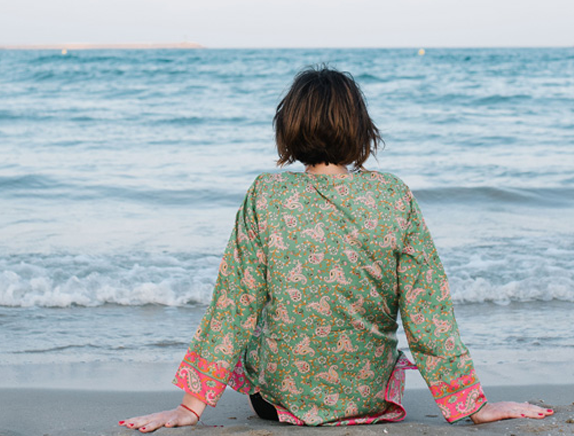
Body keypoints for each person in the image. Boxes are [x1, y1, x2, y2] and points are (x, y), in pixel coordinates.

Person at [122, 67, 553, 432]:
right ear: (360, 129)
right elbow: (428, 310)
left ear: (287, 128)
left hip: (275, 404)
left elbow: (234, 302)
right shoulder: (393, 195)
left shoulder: (266, 195)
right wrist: (472, 405)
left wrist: (190, 406)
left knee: (255, 312)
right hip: (370, 399)